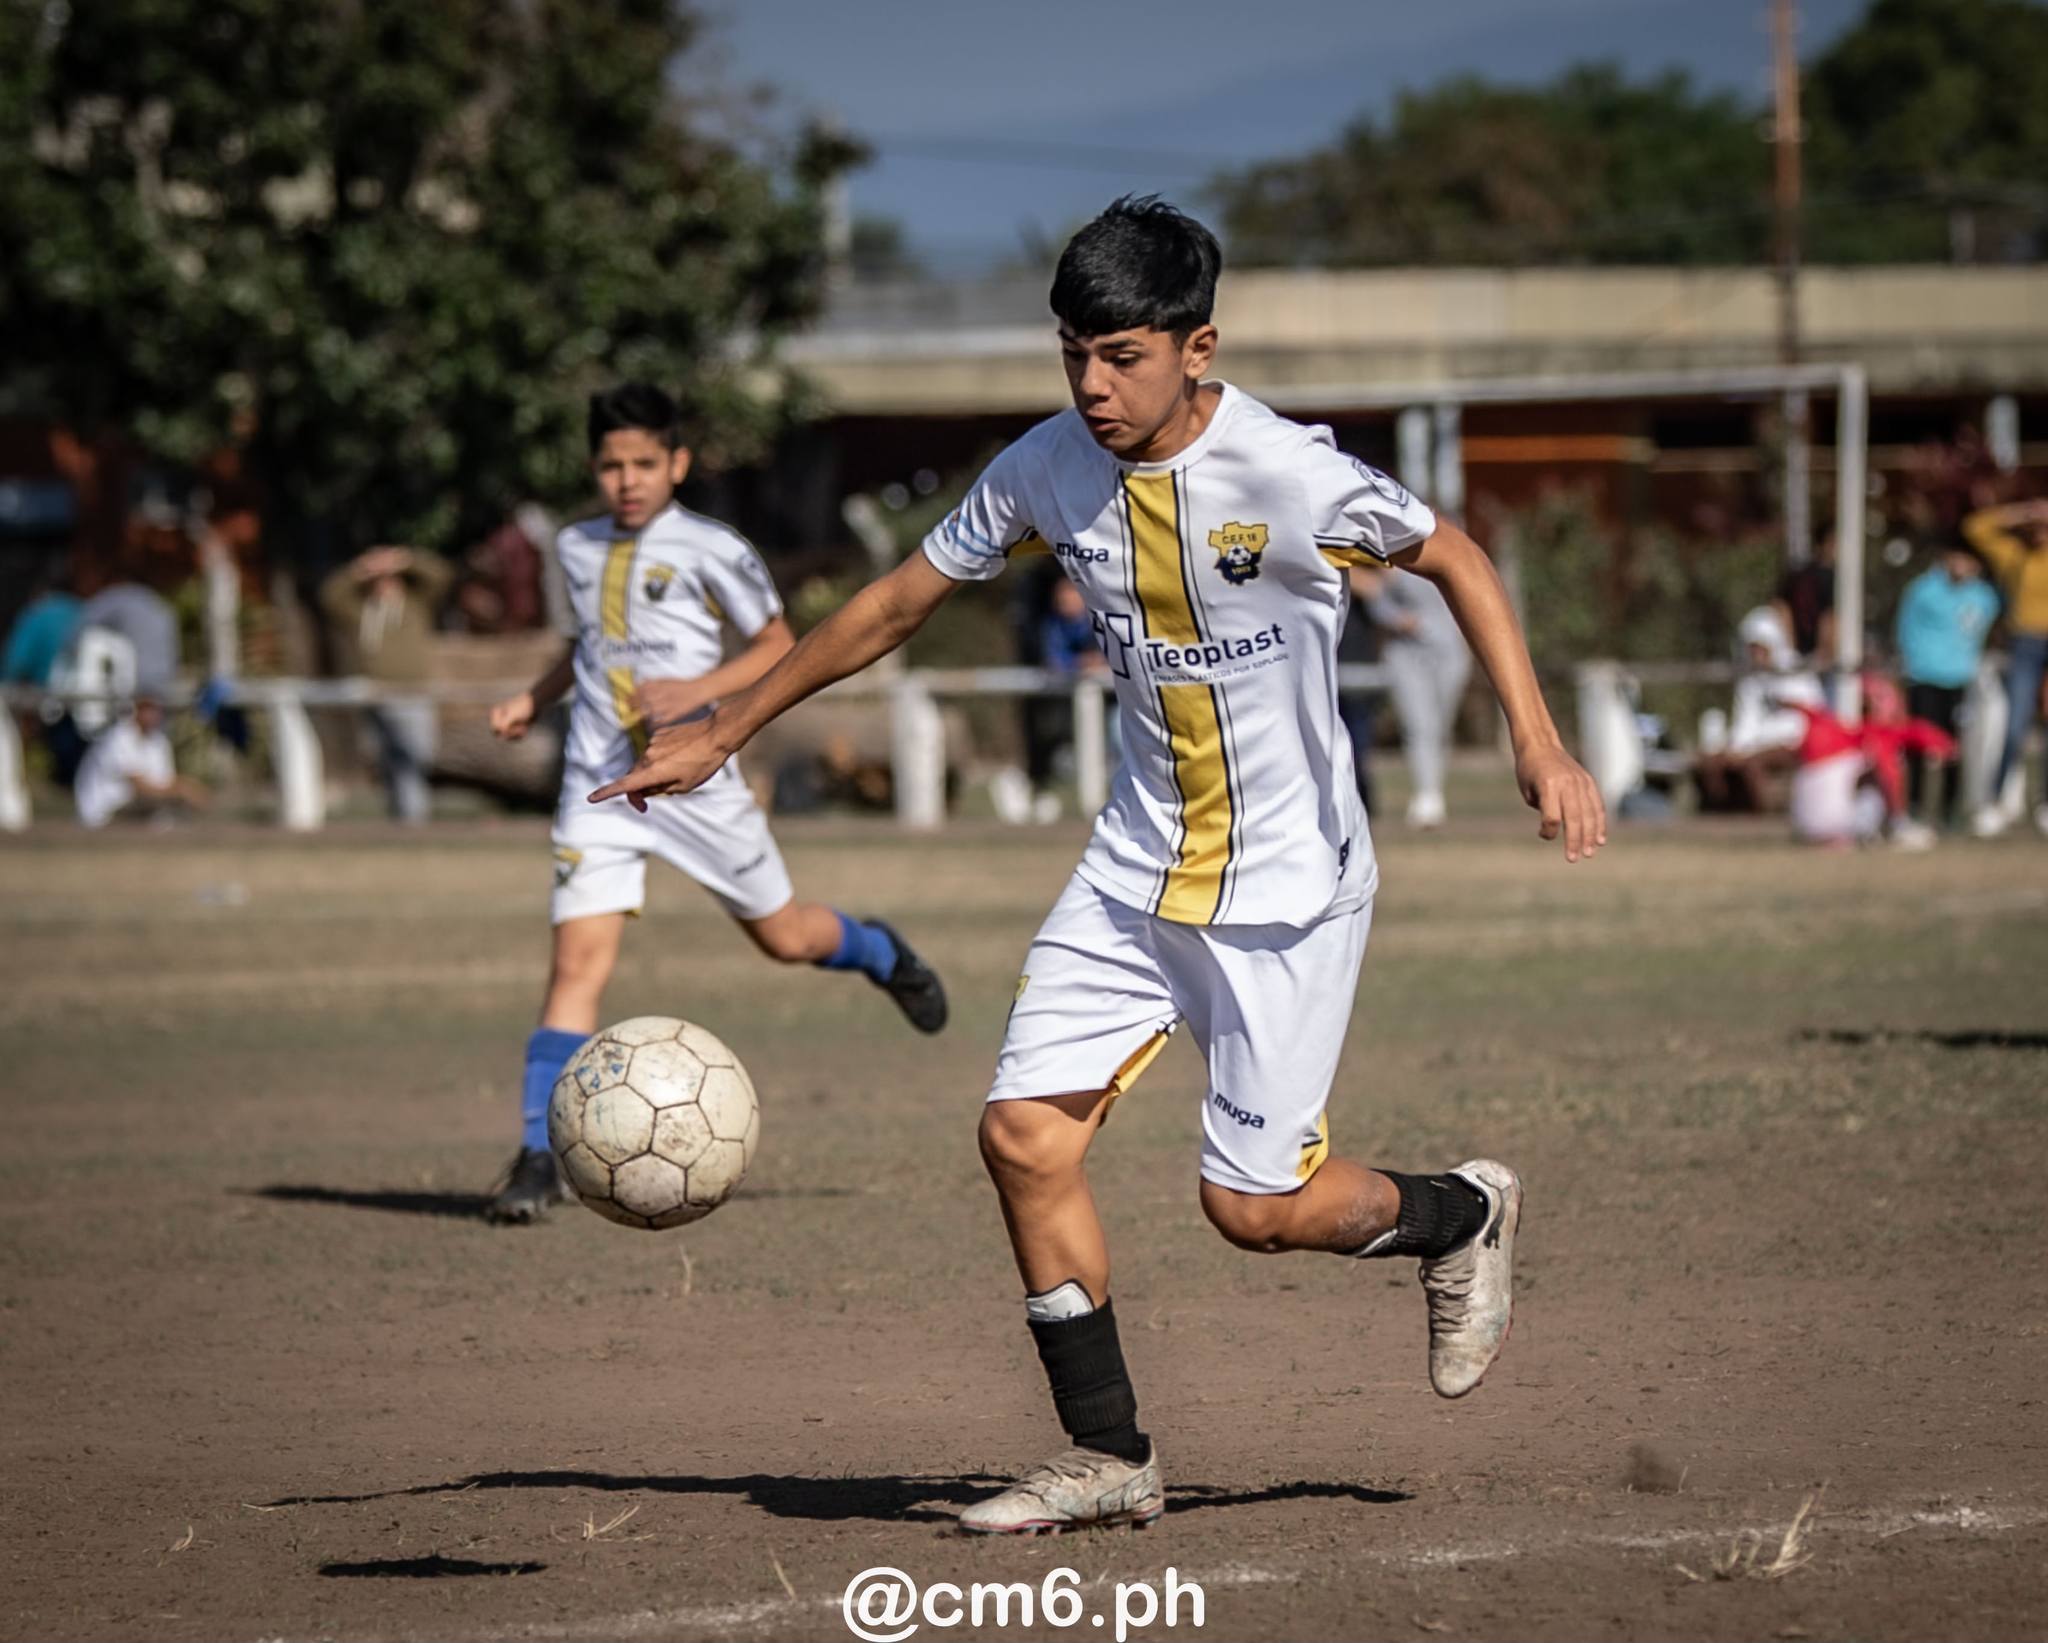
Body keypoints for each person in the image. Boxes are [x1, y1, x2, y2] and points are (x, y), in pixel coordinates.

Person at [590, 199, 1604, 1531]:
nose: (1091, 384)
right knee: (1020, 1135)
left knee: (1254, 1205)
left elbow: (1458, 555)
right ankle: (1109, 1451)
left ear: (1199, 346)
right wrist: (728, 721)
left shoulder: (1288, 473)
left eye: (1120, 354)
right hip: (1133, 867)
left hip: (1288, 887)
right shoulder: (1043, 467)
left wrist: (1539, 742)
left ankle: (1460, 1212)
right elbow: (899, 598)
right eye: (1073, 351)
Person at [482, 383, 950, 1224]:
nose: (626, 479)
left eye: (643, 463)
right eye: (611, 464)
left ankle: (879, 951)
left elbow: (776, 647)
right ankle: (535, 1157)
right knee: (576, 968)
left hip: (698, 781)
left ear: (677, 464)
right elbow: (581, 644)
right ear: (594, 468)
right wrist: (533, 696)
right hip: (599, 786)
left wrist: (698, 689)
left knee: (784, 938)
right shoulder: (576, 547)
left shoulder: (711, 547)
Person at [319, 544, 453, 823]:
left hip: (413, 692)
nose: (384, 585)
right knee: (387, 759)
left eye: (388, 579)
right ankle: (405, 817)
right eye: (378, 581)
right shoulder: (360, 610)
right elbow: (330, 595)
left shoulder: (416, 603)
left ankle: (412, 815)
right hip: (374, 693)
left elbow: (442, 575)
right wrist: (360, 570)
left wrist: (404, 561)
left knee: (418, 753)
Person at [1893, 546, 1999, 830]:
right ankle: (1913, 807)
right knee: (1918, 744)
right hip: (1924, 676)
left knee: (1955, 747)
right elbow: (1904, 629)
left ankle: (1950, 810)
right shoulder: (1923, 590)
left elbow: (1983, 629)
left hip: (1960, 679)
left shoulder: (1984, 596)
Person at [1962, 498, 2048, 836]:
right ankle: (1995, 803)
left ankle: (2044, 805)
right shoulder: (2014, 556)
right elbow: (1975, 527)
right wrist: (2022, 512)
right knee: (2014, 726)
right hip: (2025, 645)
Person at [1693, 606, 1825, 814]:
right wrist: (1735, 748)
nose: (1756, 654)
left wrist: (1754, 748)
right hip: (1759, 744)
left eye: (1761, 648)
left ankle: (1764, 818)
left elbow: (1801, 722)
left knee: (1752, 765)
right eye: (1752, 648)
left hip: (1792, 743)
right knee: (1712, 762)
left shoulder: (1795, 672)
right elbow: (1746, 719)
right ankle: (1719, 816)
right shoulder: (1750, 679)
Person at [1370, 559, 1469, 827]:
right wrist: (1399, 619)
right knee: (1419, 725)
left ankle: (1434, 789)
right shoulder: (1395, 552)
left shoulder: (1455, 552)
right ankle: (1427, 796)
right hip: (1406, 654)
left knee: (1440, 727)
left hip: (1449, 653)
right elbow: (1379, 603)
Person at [73, 692, 208, 827]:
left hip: (135, 805)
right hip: (105, 809)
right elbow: (138, 785)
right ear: (135, 710)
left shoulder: (159, 742)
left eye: (156, 710)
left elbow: (164, 782)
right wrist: (181, 790)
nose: (153, 715)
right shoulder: (118, 737)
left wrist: (187, 788)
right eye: (147, 709)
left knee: (171, 818)